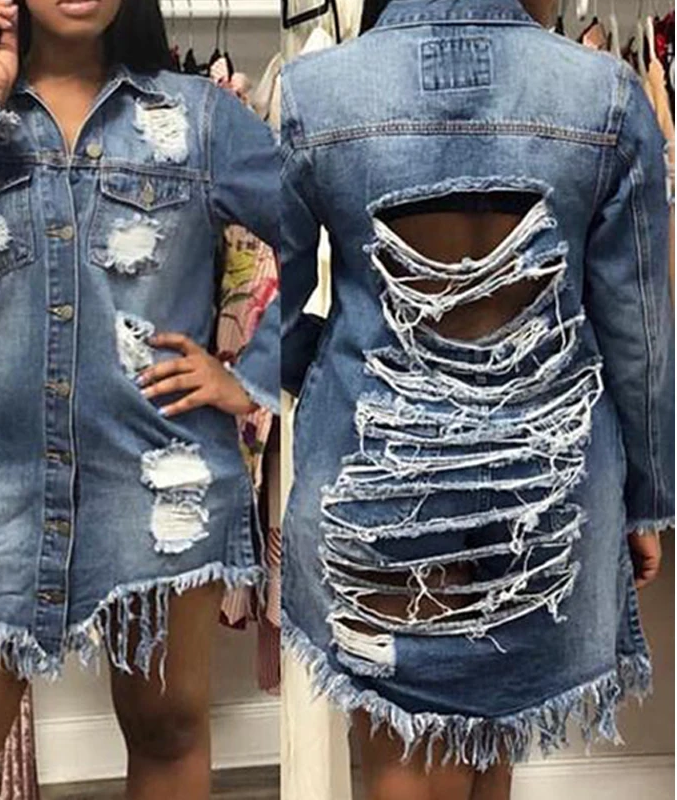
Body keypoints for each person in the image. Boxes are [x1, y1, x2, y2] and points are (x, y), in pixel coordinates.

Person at [0, 0, 279, 798]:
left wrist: (251, 375)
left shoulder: (201, 117)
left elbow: (322, 228)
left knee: (166, 726)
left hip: (158, 476)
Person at [280, 1, 674, 799]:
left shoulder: (314, 91)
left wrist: (332, 371)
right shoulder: (603, 93)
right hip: (547, 482)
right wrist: (646, 499)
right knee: (492, 738)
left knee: (402, 749)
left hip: (378, 467)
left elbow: (269, 312)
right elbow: (639, 336)